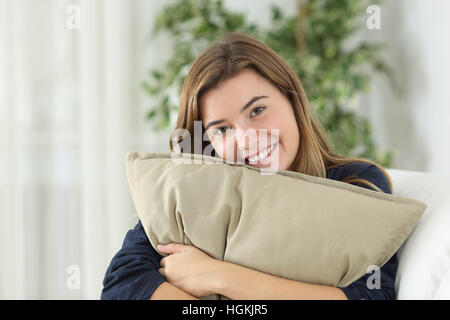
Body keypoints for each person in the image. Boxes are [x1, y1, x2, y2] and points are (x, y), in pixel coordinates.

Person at [101, 33, 398, 300]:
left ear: (292, 100)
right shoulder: (198, 191)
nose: (246, 139)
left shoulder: (356, 183)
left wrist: (218, 276)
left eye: (257, 110)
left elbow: (371, 295)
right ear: (208, 144)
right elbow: (123, 283)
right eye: (222, 129)